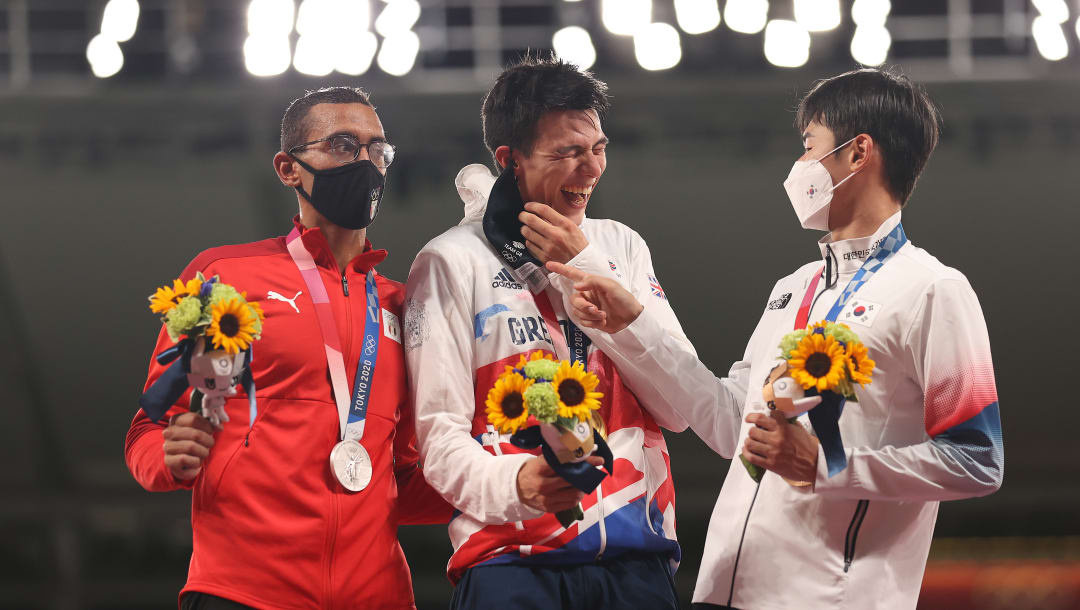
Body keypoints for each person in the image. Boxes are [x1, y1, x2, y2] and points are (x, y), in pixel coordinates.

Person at [547, 68, 1004, 610]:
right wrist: (631, 323)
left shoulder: (933, 290)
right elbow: (726, 423)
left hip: (833, 598)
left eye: (809, 147)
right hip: (725, 592)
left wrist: (829, 465)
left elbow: (978, 459)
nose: (799, 167)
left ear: (859, 153)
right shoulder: (795, 289)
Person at [125, 86, 451, 609]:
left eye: (378, 150)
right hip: (243, 591)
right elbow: (149, 428)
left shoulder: (404, 307)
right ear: (288, 168)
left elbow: (401, 478)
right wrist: (166, 460)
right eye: (343, 145)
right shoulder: (226, 279)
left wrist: (507, 483)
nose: (364, 162)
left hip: (378, 596)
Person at [403, 57, 694, 609]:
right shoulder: (449, 260)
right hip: (509, 567)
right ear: (509, 160)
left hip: (638, 563)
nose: (591, 170)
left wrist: (591, 272)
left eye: (598, 148)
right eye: (567, 153)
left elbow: (679, 409)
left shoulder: (621, 247)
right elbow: (438, 441)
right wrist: (517, 486)